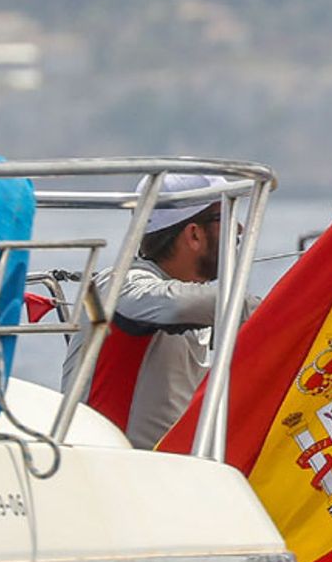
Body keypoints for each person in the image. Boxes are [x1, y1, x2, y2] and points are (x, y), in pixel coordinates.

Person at [62, 173, 226, 450]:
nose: (240, 229)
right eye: (225, 219)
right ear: (194, 234)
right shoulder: (118, 284)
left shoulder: (191, 297)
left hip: (168, 474)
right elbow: (175, 304)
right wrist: (260, 308)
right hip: (111, 473)